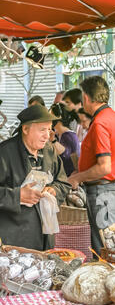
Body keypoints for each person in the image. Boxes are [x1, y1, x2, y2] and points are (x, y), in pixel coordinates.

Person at [67, 76, 115, 256]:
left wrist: (76, 178)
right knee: (114, 246)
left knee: (104, 248)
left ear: (86, 98)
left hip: (104, 191)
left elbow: (104, 167)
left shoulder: (100, 122)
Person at [0, 104, 71, 250]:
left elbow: (63, 182)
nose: (48, 135)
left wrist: (54, 190)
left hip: (45, 234)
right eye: (42, 130)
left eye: (49, 129)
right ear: (25, 129)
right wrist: (17, 196)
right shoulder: (5, 153)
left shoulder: (49, 151)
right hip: (14, 239)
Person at [50, 103, 80, 176]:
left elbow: (66, 155)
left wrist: (53, 140)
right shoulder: (59, 135)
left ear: (59, 118)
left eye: (51, 116)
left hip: (70, 180)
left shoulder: (69, 136)